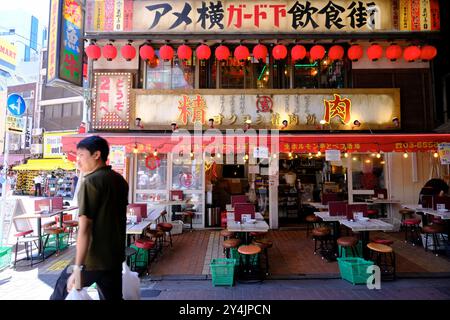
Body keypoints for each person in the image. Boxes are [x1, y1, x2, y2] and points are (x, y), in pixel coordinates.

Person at [50, 136, 129, 300]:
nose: (77, 161)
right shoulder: (119, 180)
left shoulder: (91, 182)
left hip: (92, 259)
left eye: (81, 155)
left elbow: (85, 227)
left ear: (96, 155)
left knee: (60, 291)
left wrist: (77, 268)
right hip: (114, 257)